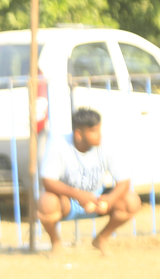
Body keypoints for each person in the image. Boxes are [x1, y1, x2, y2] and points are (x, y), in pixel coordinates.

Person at [37, 106, 141, 255]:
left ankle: (101, 239)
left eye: (99, 129)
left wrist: (109, 200)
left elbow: (124, 181)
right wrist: (79, 195)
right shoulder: (58, 144)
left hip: (98, 200)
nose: (99, 135)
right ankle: (56, 244)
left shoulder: (107, 145)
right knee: (46, 203)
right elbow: (48, 181)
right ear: (78, 134)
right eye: (93, 131)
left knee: (132, 201)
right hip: (68, 200)